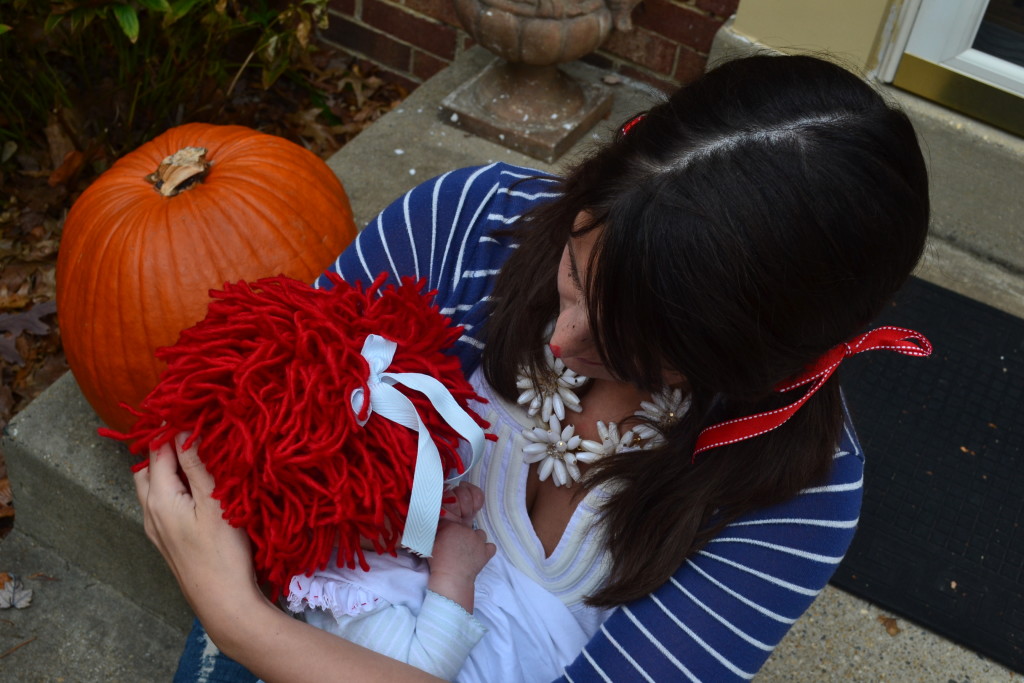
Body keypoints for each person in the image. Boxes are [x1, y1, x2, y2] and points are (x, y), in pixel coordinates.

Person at [135, 53, 932, 682]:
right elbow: (260, 409)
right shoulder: (468, 225)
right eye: (577, 276)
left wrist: (238, 619)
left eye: (630, 348)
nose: (563, 340)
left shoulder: (796, 492)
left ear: (751, 361)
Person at [111, 274, 589, 682]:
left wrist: (440, 519)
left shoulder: (359, 544)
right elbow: (425, 667)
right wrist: (451, 574)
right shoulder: (349, 604)